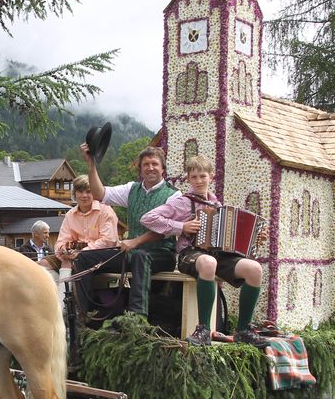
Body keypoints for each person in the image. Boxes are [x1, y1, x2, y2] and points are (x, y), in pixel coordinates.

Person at [141, 155, 267, 347]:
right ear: (188, 179)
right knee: (209, 262)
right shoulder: (182, 202)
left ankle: (243, 330)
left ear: (211, 177)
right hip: (189, 255)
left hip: (218, 255)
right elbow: (149, 218)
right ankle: (203, 330)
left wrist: (256, 238)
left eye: (202, 176)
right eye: (194, 177)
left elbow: (234, 244)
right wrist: (181, 226)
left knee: (255, 269)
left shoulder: (219, 207)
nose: (198, 181)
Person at [72, 143, 178, 321]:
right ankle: (82, 314)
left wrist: (135, 242)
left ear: (163, 169)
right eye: (146, 164)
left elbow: (166, 229)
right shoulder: (132, 189)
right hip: (132, 252)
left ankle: (137, 319)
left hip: (162, 254)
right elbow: (100, 194)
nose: (150, 168)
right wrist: (91, 164)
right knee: (84, 258)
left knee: (140, 256)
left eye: (155, 164)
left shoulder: (174, 195)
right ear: (140, 169)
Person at [42, 175, 119, 297]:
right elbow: (62, 240)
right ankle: (51, 296)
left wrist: (82, 251)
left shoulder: (105, 210)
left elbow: (108, 241)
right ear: (75, 193)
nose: (84, 195)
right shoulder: (70, 215)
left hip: (101, 256)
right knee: (42, 265)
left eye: (89, 191)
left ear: (95, 193)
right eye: (80, 191)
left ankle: (66, 304)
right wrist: (63, 250)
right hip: (74, 255)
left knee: (71, 263)